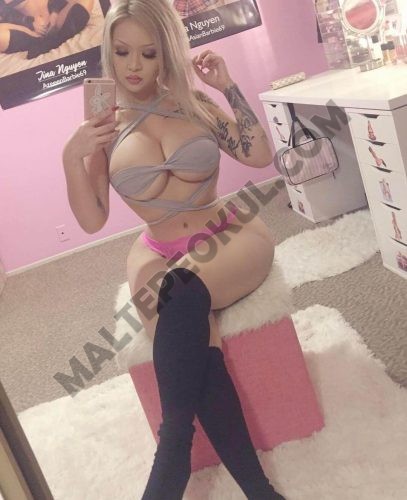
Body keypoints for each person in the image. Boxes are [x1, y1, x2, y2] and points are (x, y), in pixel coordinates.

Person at [62, 1, 285, 498]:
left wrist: (227, 86)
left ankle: (171, 456)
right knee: (192, 340)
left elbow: (258, 154)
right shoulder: (103, 123)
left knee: (179, 289)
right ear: (108, 52)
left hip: (225, 233)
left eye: (149, 53)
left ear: (166, 53)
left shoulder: (193, 102)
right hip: (156, 247)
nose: (134, 66)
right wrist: (71, 157)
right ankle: (259, 490)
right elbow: (93, 218)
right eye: (122, 52)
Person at [0, 0, 93, 59]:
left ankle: (55, 41)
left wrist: (55, 12)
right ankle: (43, 41)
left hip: (58, 20)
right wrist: (29, 23)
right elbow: (5, 16)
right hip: (31, 33)